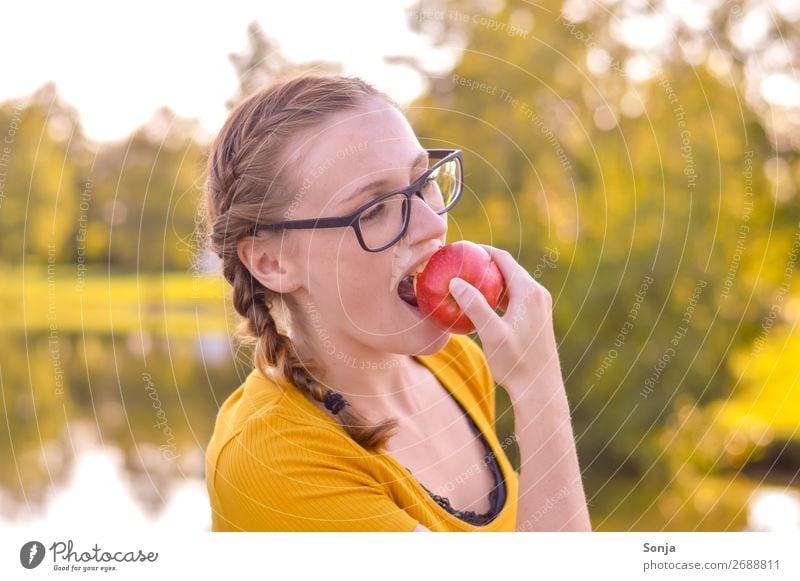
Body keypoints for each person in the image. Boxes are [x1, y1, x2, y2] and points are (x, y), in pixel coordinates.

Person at [201, 73, 591, 532]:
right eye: (374, 209)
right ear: (271, 261)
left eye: (422, 181)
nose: (431, 224)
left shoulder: (456, 362)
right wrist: (539, 393)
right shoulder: (271, 460)